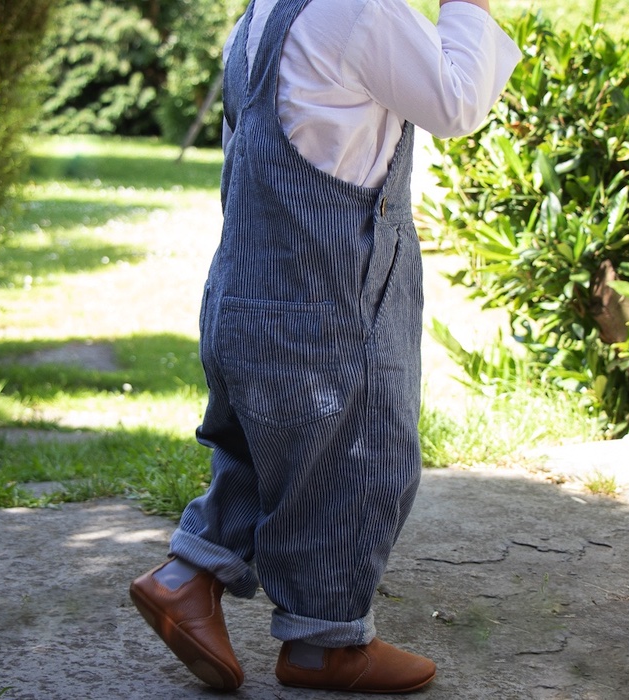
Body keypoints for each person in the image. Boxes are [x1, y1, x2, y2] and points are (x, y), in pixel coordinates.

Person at [130, 0, 520, 692]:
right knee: (365, 459)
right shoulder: (361, 11)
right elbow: (458, 104)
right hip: (331, 301)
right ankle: (325, 645)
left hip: (247, 294)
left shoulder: (262, 15)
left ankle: (185, 578)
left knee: (264, 451)